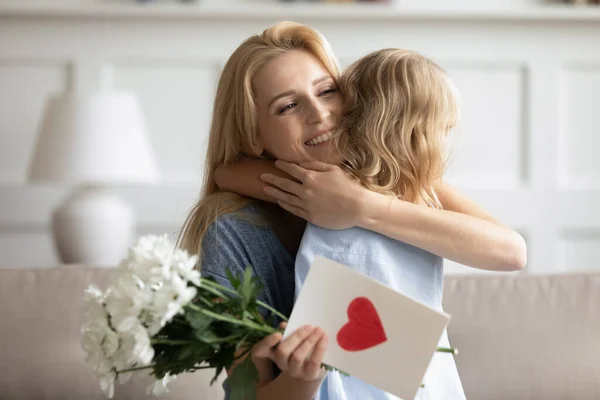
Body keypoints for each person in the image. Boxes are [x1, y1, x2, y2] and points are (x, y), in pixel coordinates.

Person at [181, 22, 527, 400]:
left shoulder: (391, 176)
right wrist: (304, 379)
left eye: (327, 91)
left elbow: (510, 251)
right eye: (288, 106)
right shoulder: (233, 232)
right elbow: (251, 393)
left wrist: (362, 207)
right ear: (254, 136)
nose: (319, 114)